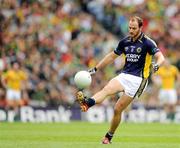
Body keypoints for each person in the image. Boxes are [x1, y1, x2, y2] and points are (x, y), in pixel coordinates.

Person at [76, 16, 165, 144]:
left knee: (117, 109)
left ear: (141, 28)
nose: (131, 30)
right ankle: (87, 103)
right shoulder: (125, 42)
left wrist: (157, 65)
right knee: (106, 89)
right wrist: (96, 68)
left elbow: (160, 57)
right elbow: (111, 57)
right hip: (124, 75)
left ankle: (109, 135)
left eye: (134, 28)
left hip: (138, 80)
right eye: (129, 28)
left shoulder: (148, 43)